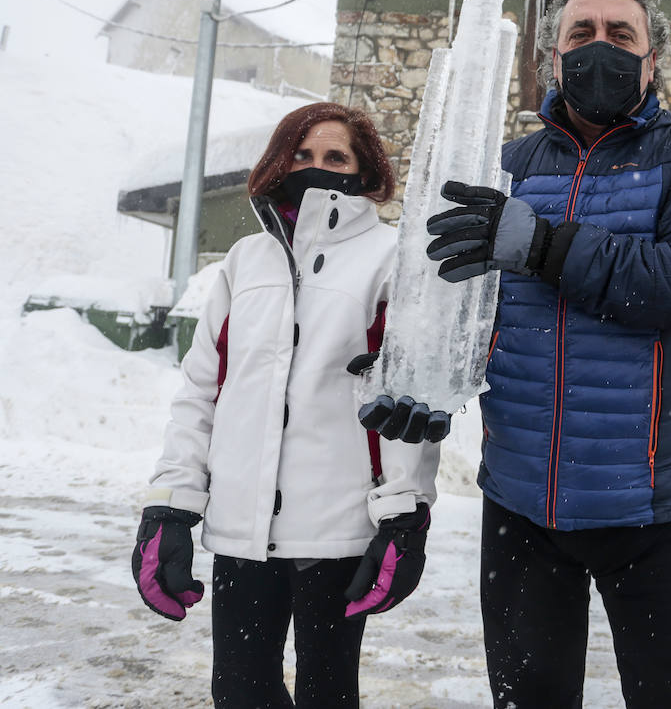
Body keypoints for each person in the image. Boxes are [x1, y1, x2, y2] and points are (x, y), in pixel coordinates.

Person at [369, 0, 671, 707]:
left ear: (652, 60)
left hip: (653, 509)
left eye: (620, 35)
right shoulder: (506, 167)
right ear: (551, 57)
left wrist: (547, 246)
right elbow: (463, 309)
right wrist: (412, 370)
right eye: (582, 33)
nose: (598, 47)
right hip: (520, 508)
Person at [131, 102, 440, 708]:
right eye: (302, 154)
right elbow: (201, 393)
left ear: (362, 170)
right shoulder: (245, 262)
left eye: (335, 157)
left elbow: (408, 400)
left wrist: (405, 513)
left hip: (335, 532)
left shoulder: (389, 258)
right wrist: (170, 506)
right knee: (241, 695)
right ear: (279, 160)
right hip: (241, 529)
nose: (316, 167)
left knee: (327, 694)